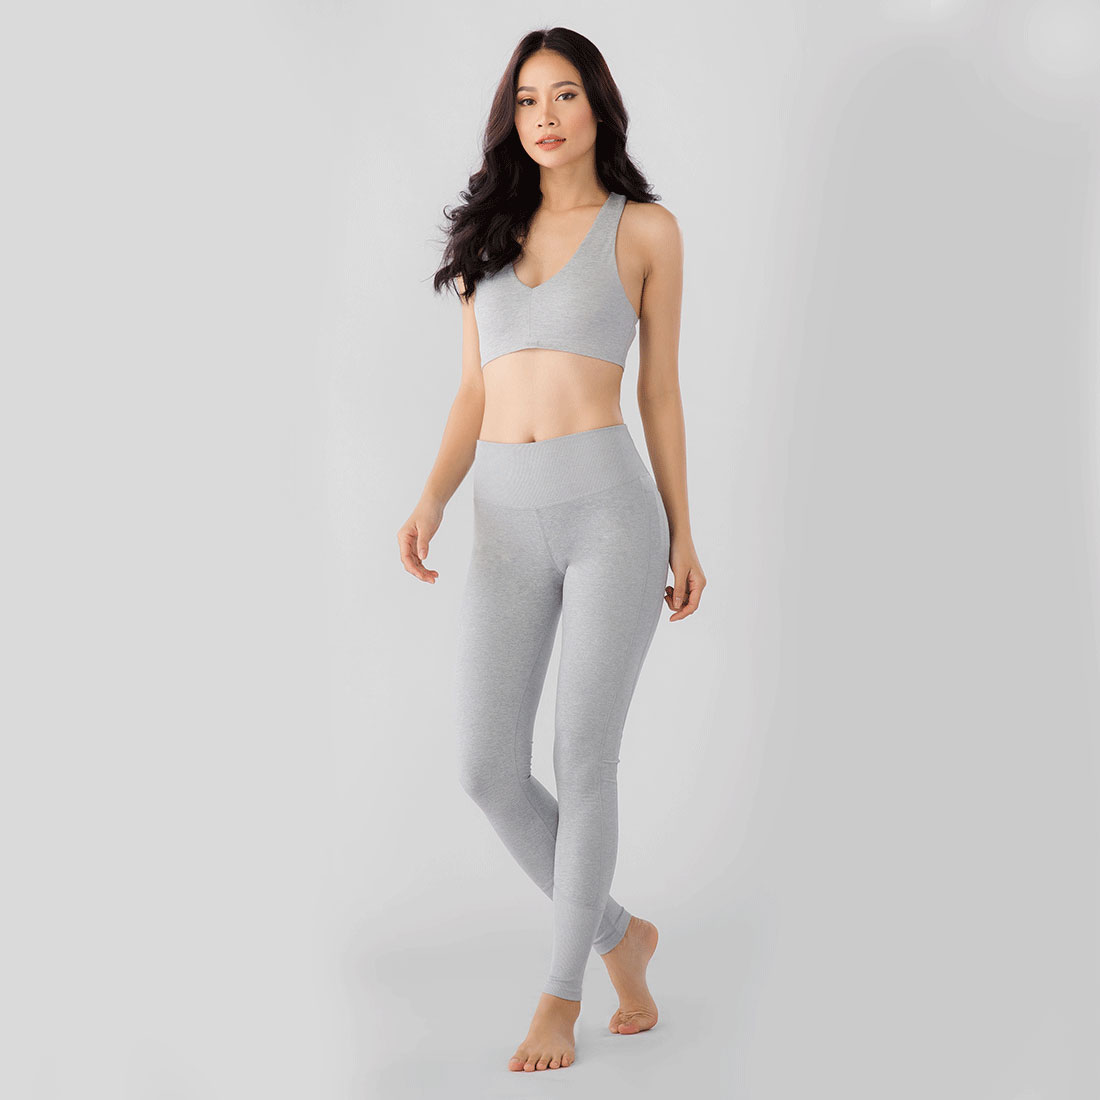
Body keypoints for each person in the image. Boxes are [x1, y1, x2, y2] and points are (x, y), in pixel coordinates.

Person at [397, 26, 706, 1072]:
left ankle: (560, 995)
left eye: (564, 94)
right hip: (501, 518)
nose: (545, 116)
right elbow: (472, 391)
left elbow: (660, 393)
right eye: (527, 99)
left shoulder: (645, 230)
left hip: (610, 515)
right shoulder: (488, 236)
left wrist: (685, 529)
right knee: (487, 768)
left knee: (583, 760)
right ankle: (623, 936)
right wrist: (431, 498)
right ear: (511, 117)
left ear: (596, 106)